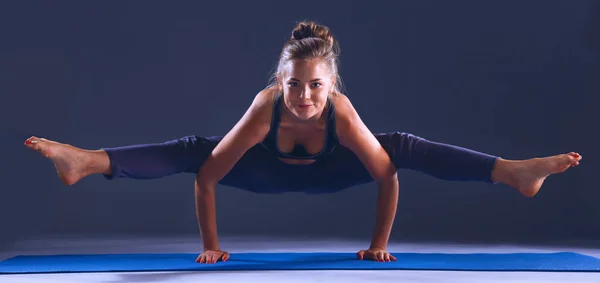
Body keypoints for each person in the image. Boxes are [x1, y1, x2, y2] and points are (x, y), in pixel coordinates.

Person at [24, 21, 582, 265]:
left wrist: (378, 245)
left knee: (398, 146)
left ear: (331, 84)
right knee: (199, 147)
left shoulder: (339, 109)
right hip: (262, 174)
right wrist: (212, 245)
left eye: (315, 86)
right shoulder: (266, 106)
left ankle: (511, 171)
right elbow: (209, 176)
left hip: (333, 170)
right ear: (280, 81)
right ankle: (88, 161)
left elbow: (386, 174)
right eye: (294, 85)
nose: (304, 98)